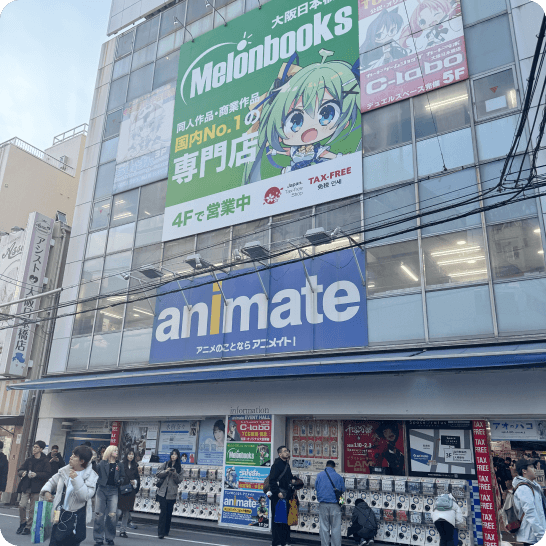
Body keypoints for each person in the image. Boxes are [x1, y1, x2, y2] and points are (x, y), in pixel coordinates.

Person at [41, 445, 98, 546]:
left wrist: (76, 479)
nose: (71, 457)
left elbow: (85, 496)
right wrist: (47, 492)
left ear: (82, 461)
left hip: (76, 518)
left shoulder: (91, 476)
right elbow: (51, 482)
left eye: (75, 456)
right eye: (72, 454)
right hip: (59, 515)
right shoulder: (64, 471)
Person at [16, 440, 52, 536]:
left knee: (32, 509)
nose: (34, 449)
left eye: (36, 447)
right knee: (22, 505)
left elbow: (48, 474)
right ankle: (22, 523)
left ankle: (28, 527)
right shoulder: (29, 460)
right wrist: (22, 473)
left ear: (41, 449)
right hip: (26, 486)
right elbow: (20, 469)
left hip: (37, 487)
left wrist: (36, 474)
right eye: (34, 447)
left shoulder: (45, 461)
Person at [93, 445, 125, 546]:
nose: (116, 452)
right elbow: (95, 471)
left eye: (117, 450)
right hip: (101, 489)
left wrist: (120, 481)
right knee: (99, 515)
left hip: (113, 490)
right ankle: (98, 538)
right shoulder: (102, 463)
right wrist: (93, 461)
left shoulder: (119, 464)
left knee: (112, 515)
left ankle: (110, 538)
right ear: (109, 452)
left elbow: (123, 476)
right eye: (114, 450)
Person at [513, 458, 546, 546]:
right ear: (524, 471)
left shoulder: (533, 485)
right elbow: (531, 513)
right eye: (532, 467)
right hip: (532, 537)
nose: (535, 470)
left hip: (536, 535)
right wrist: (541, 537)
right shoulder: (524, 489)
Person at [268, 445, 295, 546]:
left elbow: (289, 478)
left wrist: (293, 481)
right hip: (278, 496)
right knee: (277, 520)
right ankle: (276, 542)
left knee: (285, 519)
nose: (287, 452)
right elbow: (272, 481)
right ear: (280, 454)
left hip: (286, 495)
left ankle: (284, 541)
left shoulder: (286, 465)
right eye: (284, 451)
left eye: (287, 451)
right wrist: (277, 492)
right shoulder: (276, 465)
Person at [315, 460, 346, 546]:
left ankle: (324, 544)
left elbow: (316, 488)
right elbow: (343, 490)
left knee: (324, 527)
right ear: (334, 467)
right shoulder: (338, 476)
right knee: (336, 527)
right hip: (335, 505)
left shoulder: (319, 475)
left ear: (326, 466)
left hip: (323, 504)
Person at [156, 448, 183, 539]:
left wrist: (175, 473)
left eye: (175, 454)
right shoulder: (165, 464)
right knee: (163, 512)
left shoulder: (180, 468)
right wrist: (166, 471)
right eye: (172, 454)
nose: (173, 456)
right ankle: (160, 532)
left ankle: (166, 530)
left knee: (169, 513)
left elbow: (179, 480)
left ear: (178, 456)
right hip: (162, 492)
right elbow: (158, 474)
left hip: (172, 493)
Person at [117, 449, 140, 539]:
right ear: (126, 455)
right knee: (118, 512)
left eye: (132, 455)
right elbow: (118, 477)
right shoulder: (121, 465)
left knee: (126, 513)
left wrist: (135, 482)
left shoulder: (135, 466)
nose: (131, 456)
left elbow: (138, 478)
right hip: (121, 490)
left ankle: (123, 531)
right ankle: (111, 528)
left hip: (130, 491)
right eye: (129, 454)